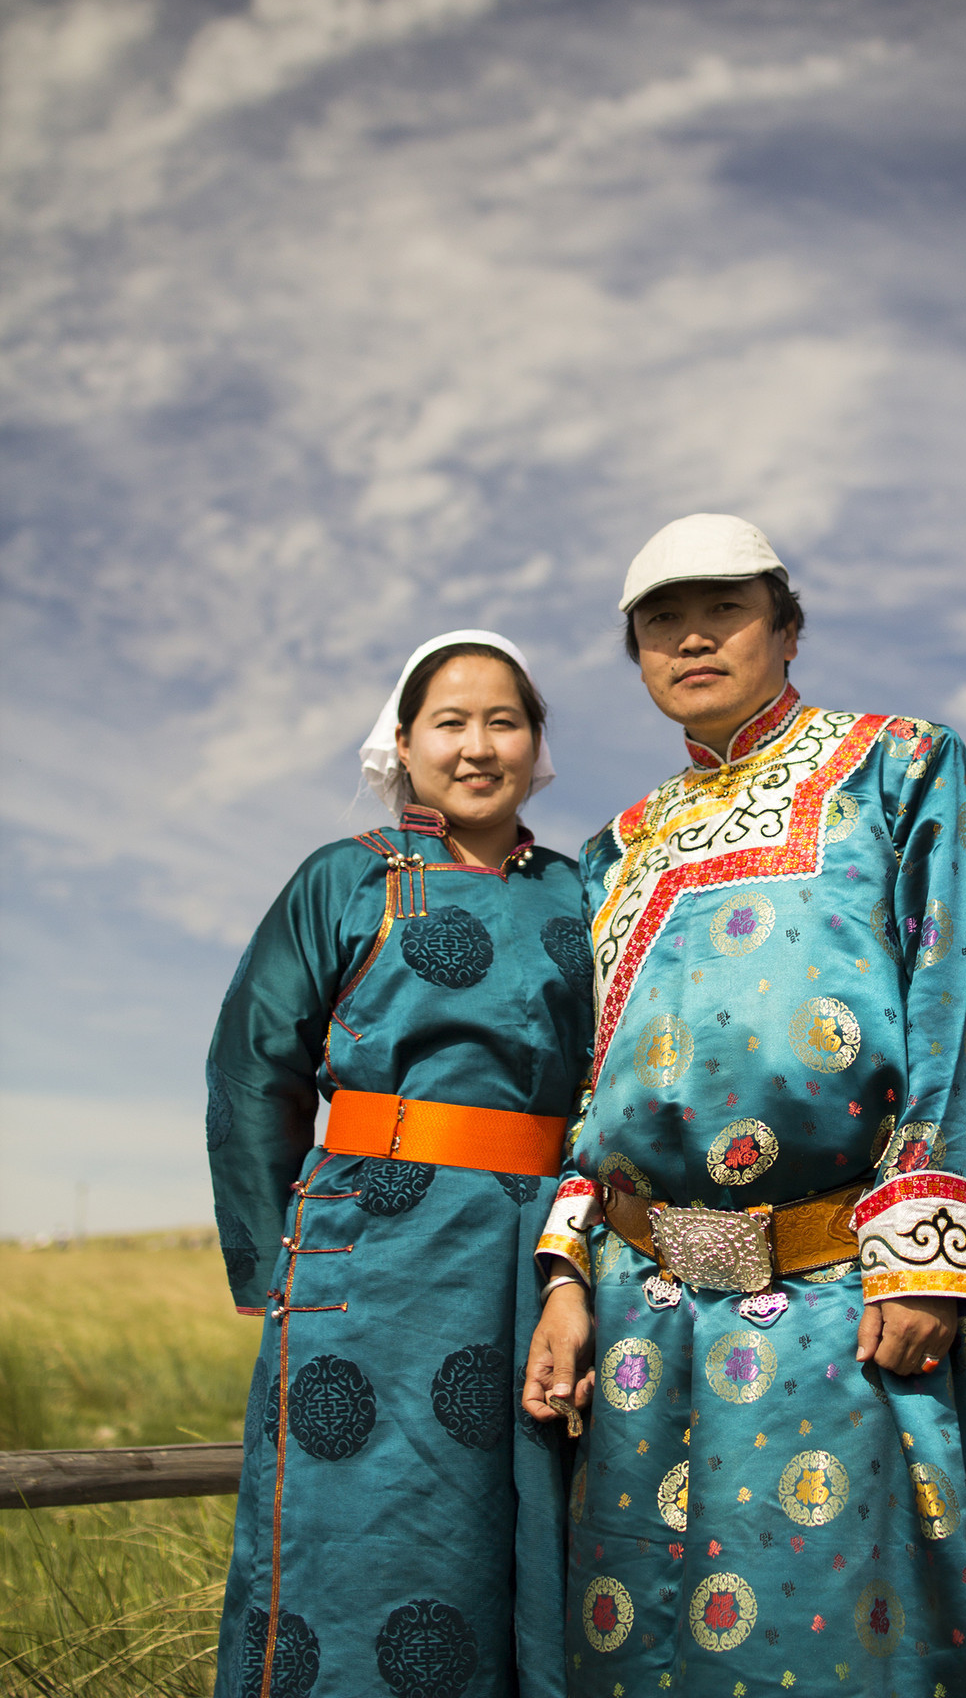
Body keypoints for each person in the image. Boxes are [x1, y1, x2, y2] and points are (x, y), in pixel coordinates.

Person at [524, 517, 966, 1696]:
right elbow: (584, 1092)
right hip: (641, 1314)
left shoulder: (898, 764)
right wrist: (564, 1277)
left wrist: (921, 1256)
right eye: (661, 621)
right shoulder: (618, 849)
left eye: (726, 609)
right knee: (637, 1645)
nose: (692, 637)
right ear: (638, 655)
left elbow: (961, 991)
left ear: (788, 626)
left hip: (830, 1298)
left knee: (839, 1643)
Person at [208, 630, 593, 1698]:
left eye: (504, 721)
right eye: (451, 723)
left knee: (519, 1531)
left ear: (536, 744)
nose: (478, 748)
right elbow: (254, 1067)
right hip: (365, 1260)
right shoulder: (347, 879)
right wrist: (276, 1260)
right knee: (358, 1538)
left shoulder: (584, 894)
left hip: (532, 1261)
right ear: (406, 743)